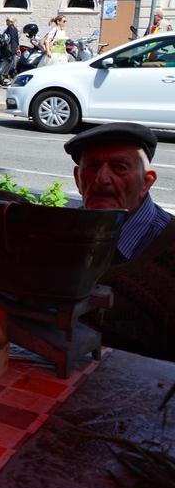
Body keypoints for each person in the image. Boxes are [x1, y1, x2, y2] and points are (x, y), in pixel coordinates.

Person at [64, 123, 174, 360]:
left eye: (119, 167)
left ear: (146, 182)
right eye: (92, 167)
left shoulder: (169, 246)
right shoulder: (64, 232)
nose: (102, 178)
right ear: (77, 178)